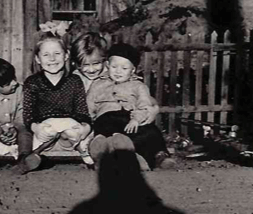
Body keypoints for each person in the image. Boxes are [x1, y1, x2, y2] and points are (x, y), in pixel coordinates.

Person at [70, 32, 159, 159]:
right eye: (85, 65)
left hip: (127, 119)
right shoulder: (75, 80)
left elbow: (142, 94)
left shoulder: (115, 71)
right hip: (94, 124)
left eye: (96, 63)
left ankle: (144, 155)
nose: (91, 69)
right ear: (77, 64)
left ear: (105, 61)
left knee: (147, 133)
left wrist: (154, 108)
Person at [86, 42, 175, 170]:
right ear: (107, 65)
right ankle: (104, 151)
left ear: (132, 70)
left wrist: (136, 120)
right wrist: (89, 124)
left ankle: (156, 157)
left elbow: (144, 105)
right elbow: (89, 106)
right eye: (114, 67)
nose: (118, 71)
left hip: (129, 118)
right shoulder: (97, 84)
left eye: (124, 68)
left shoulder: (139, 86)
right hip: (106, 119)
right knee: (108, 131)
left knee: (151, 131)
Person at [20, 34, 92, 174]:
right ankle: (39, 156)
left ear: (66, 55)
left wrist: (85, 127)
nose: (52, 59)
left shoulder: (75, 80)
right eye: (46, 55)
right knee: (47, 131)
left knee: (75, 131)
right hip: (47, 130)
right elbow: (28, 113)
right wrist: (36, 128)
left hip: (69, 127)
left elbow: (82, 110)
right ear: (38, 59)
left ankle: (80, 148)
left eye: (57, 53)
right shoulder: (32, 82)